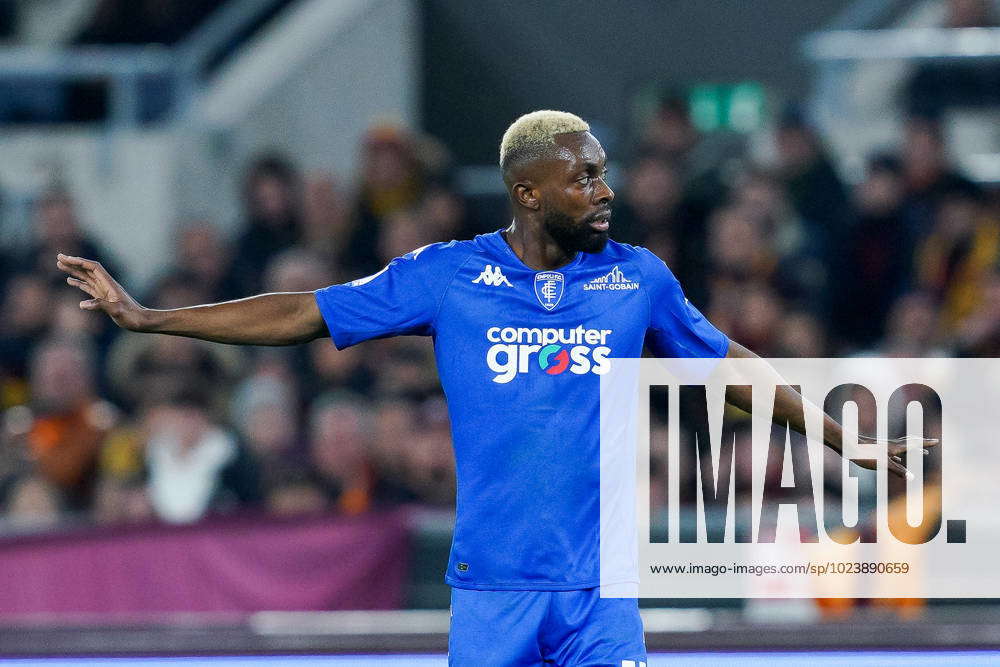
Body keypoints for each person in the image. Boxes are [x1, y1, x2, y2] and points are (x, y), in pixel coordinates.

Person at [56, 110, 930, 666]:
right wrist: (153, 317)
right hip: (492, 595)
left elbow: (731, 364)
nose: (604, 189)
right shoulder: (447, 277)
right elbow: (303, 313)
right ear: (527, 189)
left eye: (603, 171)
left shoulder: (639, 279)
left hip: (602, 596)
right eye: (583, 176)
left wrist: (838, 433)